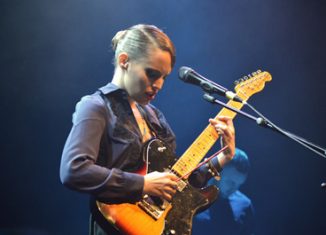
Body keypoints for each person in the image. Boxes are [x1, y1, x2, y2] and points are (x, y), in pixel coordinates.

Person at [59, 24, 236, 235]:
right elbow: (74, 170)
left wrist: (223, 157)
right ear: (124, 61)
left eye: (164, 77)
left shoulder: (155, 116)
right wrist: (141, 184)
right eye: (152, 74)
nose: (159, 84)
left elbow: (174, 184)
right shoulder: (96, 106)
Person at [192, 148, 255, 235]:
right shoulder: (191, 195)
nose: (234, 189)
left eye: (239, 184)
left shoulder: (244, 204)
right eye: (230, 182)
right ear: (218, 173)